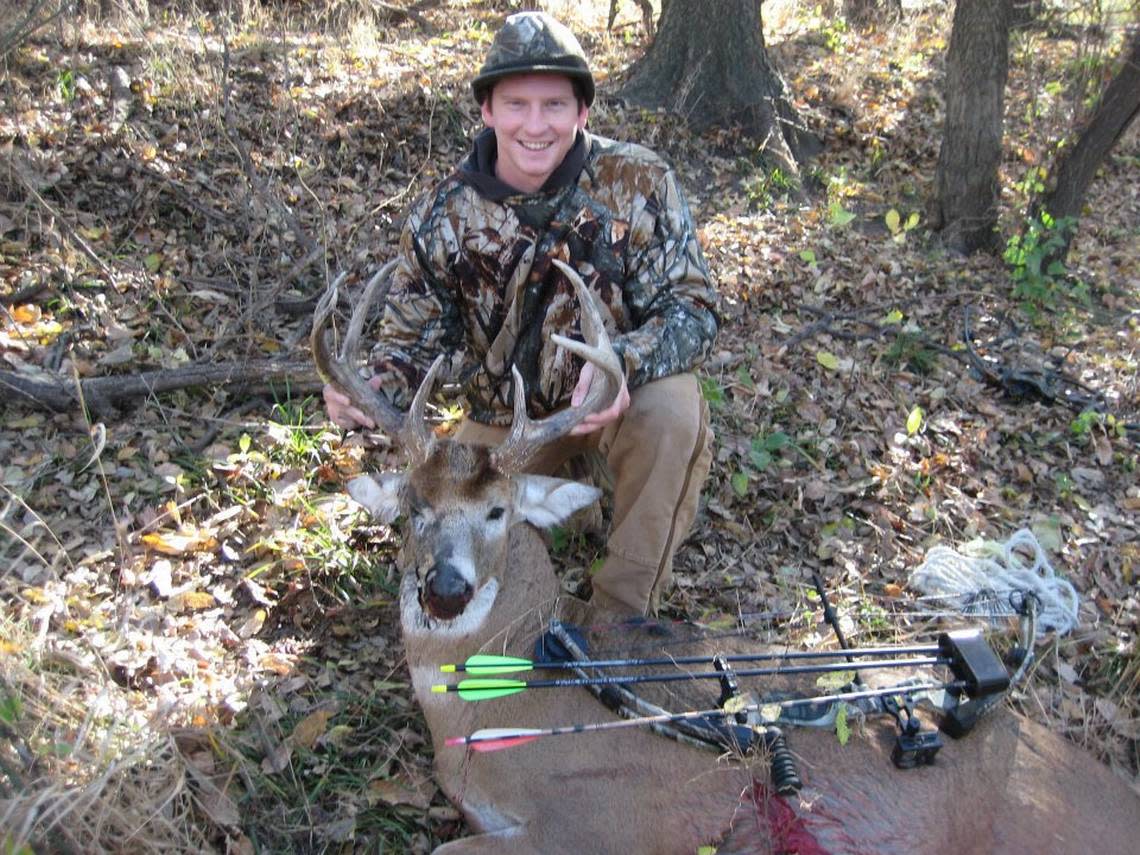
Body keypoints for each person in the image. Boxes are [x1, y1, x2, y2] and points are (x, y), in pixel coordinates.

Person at [324, 10, 718, 617]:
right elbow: (413, 335)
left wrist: (623, 363)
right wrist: (377, 383)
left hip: (609, 404)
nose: (536, 125)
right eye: (517, 104)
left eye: (555, 105)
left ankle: (621, 614)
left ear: (582, 111)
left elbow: (692, 308)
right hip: (504, 433)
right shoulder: (443, 213)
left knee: (673, 410)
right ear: (487, 111)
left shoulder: (639, 181)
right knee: (445, 516)